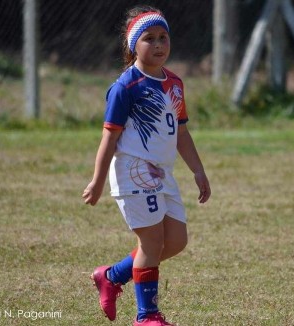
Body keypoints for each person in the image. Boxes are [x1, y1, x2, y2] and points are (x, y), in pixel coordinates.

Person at [82, 5, 211, 326]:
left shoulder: (175, 84)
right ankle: (147, 316)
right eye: (149, 38)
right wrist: (98, 180)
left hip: (162, 175)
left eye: (163, 37)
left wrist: (198, 169)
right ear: (132, 46)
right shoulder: (126, 86)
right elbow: (109, 138)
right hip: (133, 173)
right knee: (151, 243)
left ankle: (111, 276)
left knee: (176, 241)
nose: (158, 45)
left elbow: (181, 132)